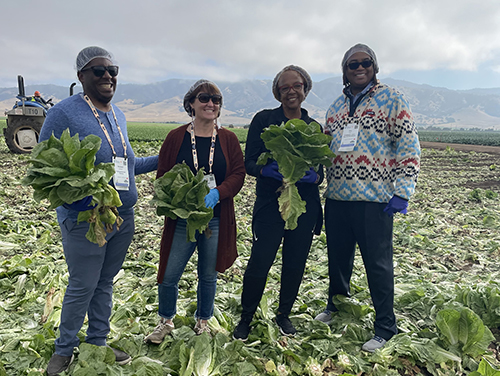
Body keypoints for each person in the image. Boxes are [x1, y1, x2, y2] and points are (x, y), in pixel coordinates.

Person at [41, 46, 158, 375]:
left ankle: (97, 341)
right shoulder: (63, 113)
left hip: (122, 217)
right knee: (83, 284)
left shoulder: (117, 115)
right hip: (85, 219)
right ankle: (63, 349)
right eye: (98, 71)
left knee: (105, 282)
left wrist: (168, 156)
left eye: (112, 70)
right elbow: (44, 169)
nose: (108, 76)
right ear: (81, 76)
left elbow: (128, 165)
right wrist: (82, 199)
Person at [314, 43, 421, 352]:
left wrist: (403, 191)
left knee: (378, 264)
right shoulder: (335, 107)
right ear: (344, 71)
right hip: (337, 197)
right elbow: (326, 149)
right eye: (352, 64)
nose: (360, 68)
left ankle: (386, 326)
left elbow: (409, 145)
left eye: (366, 62)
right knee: (338, 259)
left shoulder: (392, 99)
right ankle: (337, 306)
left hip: (376, 199)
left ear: (375, 67)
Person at [144, 79, 245, 344]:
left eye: (216, 100)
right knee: (169, 274)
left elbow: (238, 173)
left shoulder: (228, 139)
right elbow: (163, 175)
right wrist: (178, 202)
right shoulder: (176, 137)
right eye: (204, 98)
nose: (211, 104)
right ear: (191, 103)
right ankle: (165, 321)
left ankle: (203, 321)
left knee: (207, 275)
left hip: (214, 219)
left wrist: (218, 193)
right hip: (181, 220)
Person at [233, 65, 324, 340]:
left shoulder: (314, 127)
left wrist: (312, 176)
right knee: (260, 261)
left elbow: (321, 173)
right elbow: (248, 161)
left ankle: (284, 314)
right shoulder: (263, 120)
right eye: (285, 87)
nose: (291, 91)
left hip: (302, 205)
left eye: (296, 85)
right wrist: (264, 170)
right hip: (270, 204)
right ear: (278, 92)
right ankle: (246, 317)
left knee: (295, 263)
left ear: (305, 89)